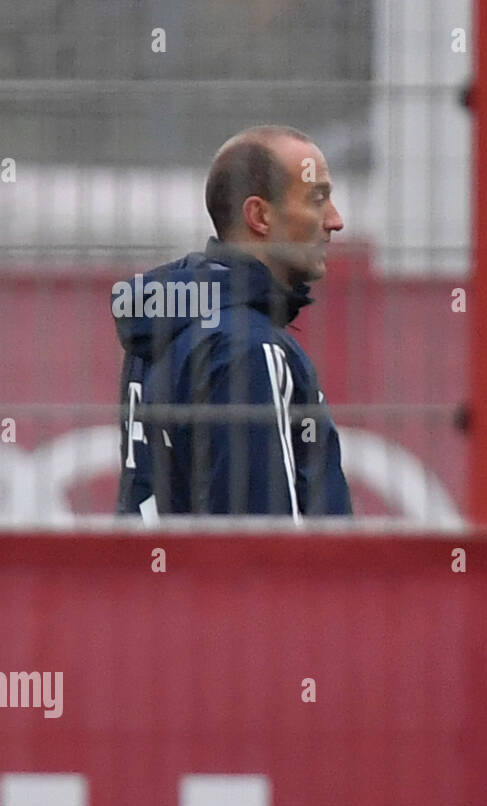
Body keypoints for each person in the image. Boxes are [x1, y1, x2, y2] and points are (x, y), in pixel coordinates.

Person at [114, 125, 351, 519]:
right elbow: (264, 548)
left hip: (158, 580)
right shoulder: (249, 347)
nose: (335, 220)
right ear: (259, 215)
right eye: (317, 199)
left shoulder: (170, 322)